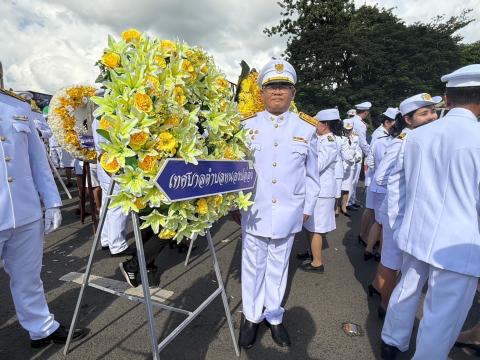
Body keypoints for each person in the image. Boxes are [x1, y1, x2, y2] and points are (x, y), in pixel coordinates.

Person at [380, 64, 480, 360]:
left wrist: (399, 226)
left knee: (406, 290)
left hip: (417, 231)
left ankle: (391, 343)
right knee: (442, 318)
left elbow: (401, 187)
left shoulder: (416, 137)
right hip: (460, 242)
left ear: (447, 100)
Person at [236, 59, 320, 349]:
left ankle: (274, 316)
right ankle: (250, 317)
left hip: (289, 210)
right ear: (261, 92)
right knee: (252, 265)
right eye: (272, 86)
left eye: (284, 86)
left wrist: (306, 207)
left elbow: (312, 175)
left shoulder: (306, 129)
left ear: (293, 93)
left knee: (278, 265)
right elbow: (235, 168)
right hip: (255, 210)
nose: (278, 91)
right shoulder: (245, 127)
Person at [0, 88, 87, 348]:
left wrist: (52, 203)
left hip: (25, 212)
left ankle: (42, 328)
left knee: (28, 277)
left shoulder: (17, 106)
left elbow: (38, 160)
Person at [367, 96, 439, 319]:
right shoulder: (402, 142)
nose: (431, 117)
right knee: (393, 263)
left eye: (433, 112)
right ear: (408, 119)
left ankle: (376, 286)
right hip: (399, 213)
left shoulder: (429, 139)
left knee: (400, 264)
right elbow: (380, 177)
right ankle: (386, 307)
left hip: (418, 213)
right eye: (424, 113)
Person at [301, 109, 341, 273]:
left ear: (325, 125)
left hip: (323, 191)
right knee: (310, 225)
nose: (314, 125)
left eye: (317, 122)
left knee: (316, 227)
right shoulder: (320, 139)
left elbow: (318, 166)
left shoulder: (329, 141)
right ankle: (311, 252)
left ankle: (317, 263)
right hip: (317, 190)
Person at [92, 109, 134, 257]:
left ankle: (105, 239)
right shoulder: (106, 117)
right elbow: (105, 147)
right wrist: (113, 172)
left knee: (107, 203)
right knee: (119, 204)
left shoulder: (98, 116)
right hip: (111, 164)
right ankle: (117, 245)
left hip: (106, 164)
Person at [363, 108, 398, 261]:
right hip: (387, 188)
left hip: (377, 185)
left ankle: (369, 249)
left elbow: (369, 161)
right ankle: (381, 252)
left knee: (378, 221)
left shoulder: (378, 141)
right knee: (386, 224)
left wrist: (377, 170)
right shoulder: (398, 143)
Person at [348, 101, 371, 208]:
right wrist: (370, 154)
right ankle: (348, 202)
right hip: (356, 154)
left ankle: (351, 201)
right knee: (353, 179)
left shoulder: (350, 120)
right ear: (365, 112)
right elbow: (362, 142)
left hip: (350, 152)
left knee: (351, 179)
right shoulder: (360, 124)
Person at [340, 120, 362, 217]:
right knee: (337, 188)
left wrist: (358, 156)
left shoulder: (355, 136)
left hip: (351, 165)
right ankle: (336, 207)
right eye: (346, 129)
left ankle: (344, 207)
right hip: (341, 165)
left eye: (350, 129)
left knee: (347, 187)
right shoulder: (339, 136)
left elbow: (357, 148)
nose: (348, 131)